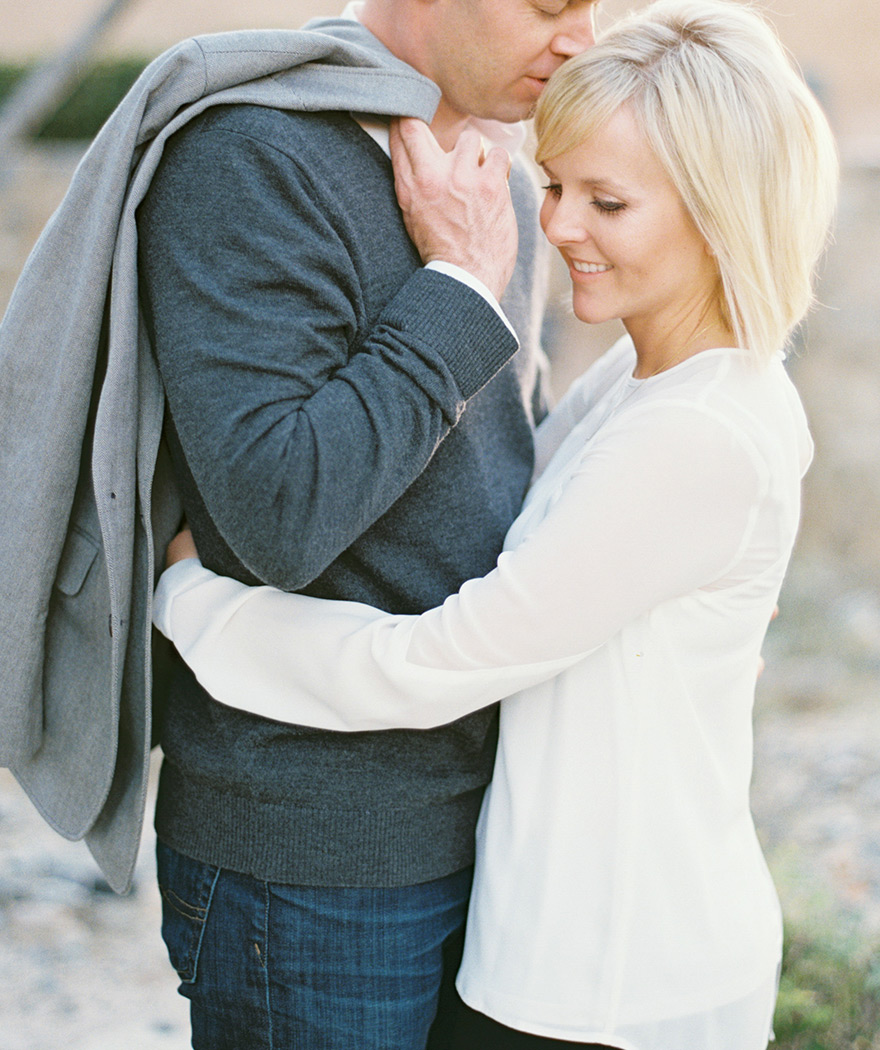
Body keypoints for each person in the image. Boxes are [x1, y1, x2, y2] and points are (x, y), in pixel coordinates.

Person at [153, 1, 839, 1048]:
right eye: (558, 187)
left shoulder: (698, 427)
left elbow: (444, 656)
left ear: (719, 211)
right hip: (520, 931)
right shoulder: (632, 380)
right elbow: (542, 547)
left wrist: (190, 601)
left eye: (603, 200)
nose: (554, 223)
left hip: (612, 973)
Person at [134, 0, 599, 1047]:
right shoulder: (252, 153)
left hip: (488, 820)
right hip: (311, 853)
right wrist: (458, 288)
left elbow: (497, 474)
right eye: (548, 4)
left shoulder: (501, 176)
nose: (580, 38)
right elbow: (279, 517)